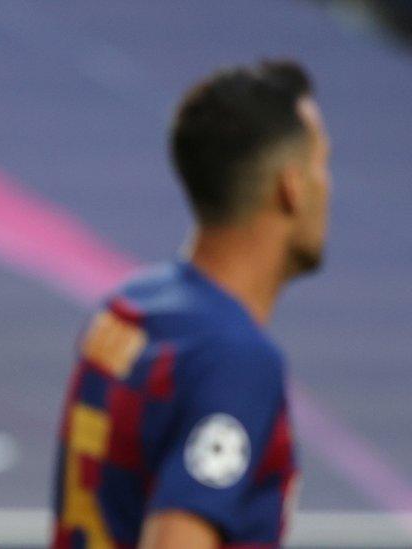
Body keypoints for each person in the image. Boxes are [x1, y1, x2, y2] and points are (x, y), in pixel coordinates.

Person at [53, 60, 329, 548]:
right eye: (322, 164)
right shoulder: (235, 359)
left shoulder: (129, 307)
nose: (328, 186)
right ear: (291, 186)